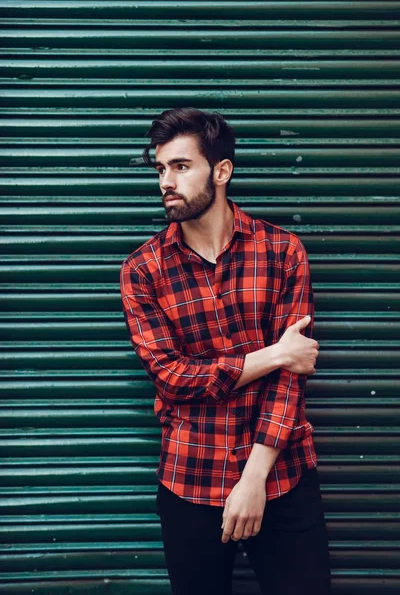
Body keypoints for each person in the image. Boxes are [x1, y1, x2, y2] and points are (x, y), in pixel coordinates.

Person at [119, 108, 331, 595]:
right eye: (160, 169)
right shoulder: (142, 270)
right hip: (191, 477)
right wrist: (275, 355)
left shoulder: (282, 251)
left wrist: (255, 476)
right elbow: (171, 377)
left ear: (221, 170)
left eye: (180, 166)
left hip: (282, 477)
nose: (165, 182)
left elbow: (291, 380)